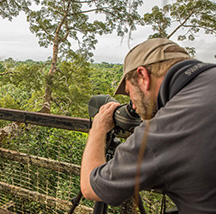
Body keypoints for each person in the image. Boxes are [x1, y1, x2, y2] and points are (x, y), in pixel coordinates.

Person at [80, 38, 216, 213]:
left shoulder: (163, 130)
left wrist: (98, 128)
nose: (133, 106)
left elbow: (89, 187)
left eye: (130, 93)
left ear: (143, 76)